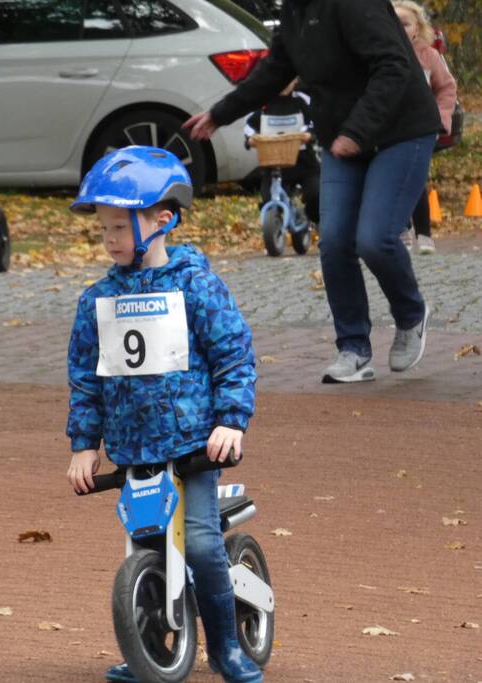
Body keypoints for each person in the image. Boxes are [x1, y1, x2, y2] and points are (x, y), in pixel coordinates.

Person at [65, 146, 261, 683]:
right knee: (147, 541)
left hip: (193, 445)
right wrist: (84, 444)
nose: (108, 239)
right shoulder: (97, 300)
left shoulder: (195, 284)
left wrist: (230, 421)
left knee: (199, 543)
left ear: (162, 220)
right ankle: (148, 651)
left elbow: (233, 355)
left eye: (118, 227)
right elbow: (86, 377)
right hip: (134, 450)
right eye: (102, 229)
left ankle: (226, 648)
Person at [185, 0, 443, 384]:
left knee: (375, 239)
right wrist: (220, 114)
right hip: (343, 137)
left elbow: (394, 66)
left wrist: (357, 131)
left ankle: (411, 315)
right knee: (334, 240)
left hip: (400, 131)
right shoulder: (295, 10)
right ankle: (354, 349)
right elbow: (275, 70)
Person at [393, 0, 457, 255]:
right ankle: (401, 228)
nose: (400, 28)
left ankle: (424, 232)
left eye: (406, 23)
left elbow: (446, 88)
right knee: (392, 178)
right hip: (388, 128)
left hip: (421, 127)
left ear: (417, 28)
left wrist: (440, 118)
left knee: (414, 177)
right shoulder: (378, 52)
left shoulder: (429, 56)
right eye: (395, 23)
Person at [243, 80, 320, 227]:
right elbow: (249, 126)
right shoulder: (262, 102)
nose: (283, 83)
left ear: (295, 80)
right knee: (268, 200)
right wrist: (250, 139)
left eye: (288, 79)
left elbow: (316, 121)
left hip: (304, 163)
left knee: (315, 194)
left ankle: (312, 219)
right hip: (273, 164)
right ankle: (275, 226)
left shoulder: (302, 99)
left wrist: (309, 134)